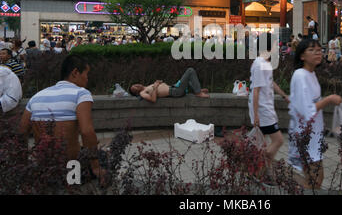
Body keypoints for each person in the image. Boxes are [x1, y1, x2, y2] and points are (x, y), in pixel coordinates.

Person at [18, 55, 107, 183]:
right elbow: (87, 132)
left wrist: (23, 165)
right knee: (103, 157)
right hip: (71, 169)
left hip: (44, 167)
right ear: (75, 73)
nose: (87, 79)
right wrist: (95, 167)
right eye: (86, 74)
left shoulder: (36, 96)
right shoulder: (81, 93)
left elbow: (21, 132)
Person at [288, 39, 342, 190]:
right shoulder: (300, 75)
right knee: (315, 179)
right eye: (312, 50)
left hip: (312, 135)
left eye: (319, 49)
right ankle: (286, 182)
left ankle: (289, 183)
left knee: (314, 179)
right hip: (305, 135)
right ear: (302, 56)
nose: (318, 52)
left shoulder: (310, 74)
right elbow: (307, 110)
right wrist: (329, 99)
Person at [249, 32, 290, 186]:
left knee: (265, 143)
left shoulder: (264, 63)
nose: (277, 47)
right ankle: (258, 171)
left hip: (265, 109)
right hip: (263, 111)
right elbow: (256, 91)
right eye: (275, 44)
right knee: (278, 140)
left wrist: (284, 95)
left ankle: (260, 171)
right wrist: (256, 115)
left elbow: (271, 83)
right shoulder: (260, 64)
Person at [129, 67, 209, 102]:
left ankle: (196, 90)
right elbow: (153, 99)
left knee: (187, 79)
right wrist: (156, 86)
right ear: (136, 92)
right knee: (190, 71)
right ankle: (198, 92)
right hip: (175, 92)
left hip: (174, 87)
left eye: (135, 84)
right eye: (134, 88)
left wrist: (159, 83)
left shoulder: (147, 86)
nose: (136, 86)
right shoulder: (142, 93)